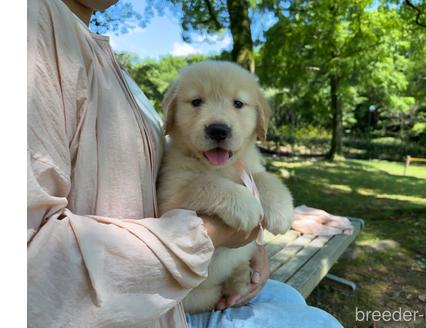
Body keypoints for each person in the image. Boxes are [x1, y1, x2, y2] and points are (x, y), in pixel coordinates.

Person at [27, 0, 343, 327]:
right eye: (196, 103)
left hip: (206, 276)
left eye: (238, 104)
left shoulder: (99, 53)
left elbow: (257, 190)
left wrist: (255, 241)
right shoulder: (32, 26)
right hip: (160, 298)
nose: (218, 122)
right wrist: (222, 229)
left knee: (290, 298)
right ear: (174, 112)